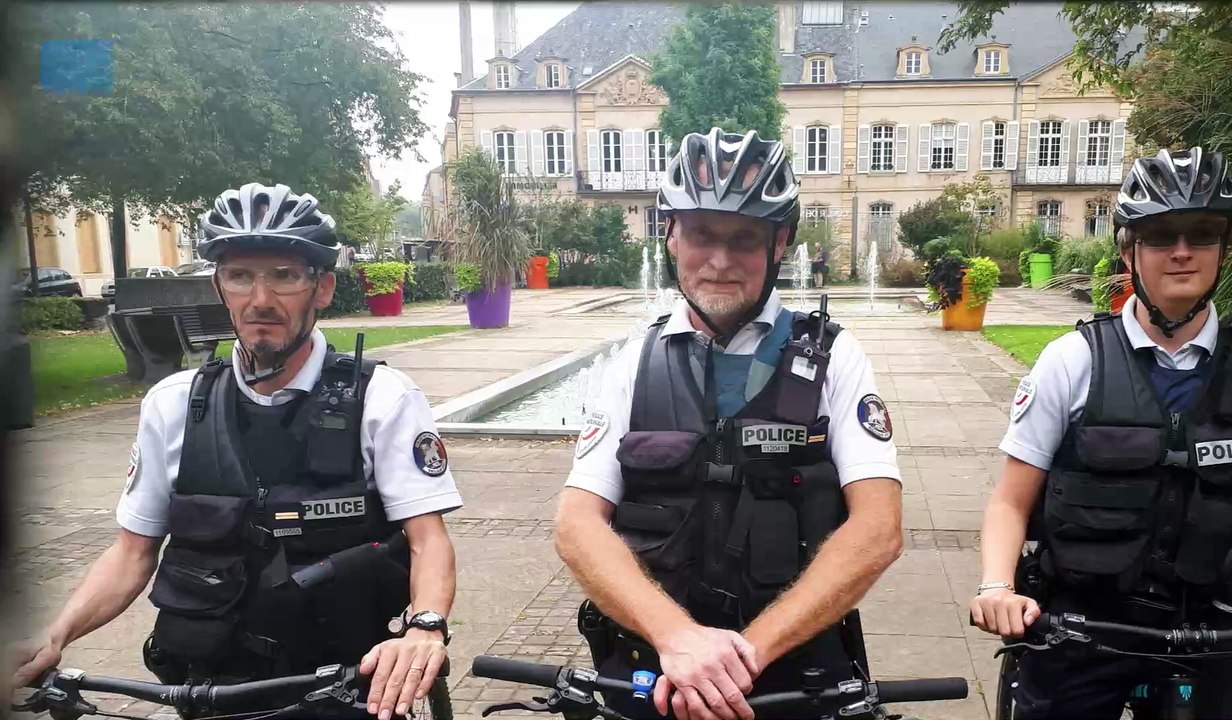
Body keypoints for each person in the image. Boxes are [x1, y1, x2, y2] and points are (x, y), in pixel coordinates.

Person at [8, 183, 463, 720]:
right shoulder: (173, 404)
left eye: (284, 276)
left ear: (322, 289)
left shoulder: (382, 399)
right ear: (220, 287)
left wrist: (425, 627)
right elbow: (133, 552)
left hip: (344, 685)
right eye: (241, 276)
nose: (261, 299)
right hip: (212, 690)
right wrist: (54, 634)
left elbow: (428, 541)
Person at [554, 128, 904, 720]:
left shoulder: (833, 358)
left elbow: (878, 528)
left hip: (792, 671)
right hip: (653, 668)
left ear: (781, 242)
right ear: (668, 233)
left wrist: (741, 658)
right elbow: (576, 525)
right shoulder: (632, 364)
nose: (718, 261)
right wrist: (678, 639)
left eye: (743, 239)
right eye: (700, 234)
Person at [970, 148, 1232, 719]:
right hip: (1082, 634)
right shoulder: (1070, 362)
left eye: (1202, 234)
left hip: (1204, 640)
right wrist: (996, 587)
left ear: (1224, 248)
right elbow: (1010, 502)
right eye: (1161, 236)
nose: (1182, 251)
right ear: (1129, 249)